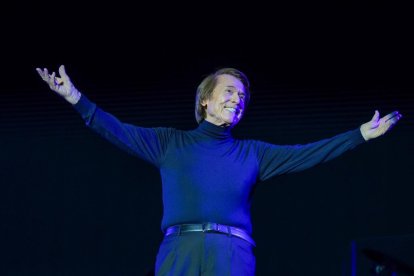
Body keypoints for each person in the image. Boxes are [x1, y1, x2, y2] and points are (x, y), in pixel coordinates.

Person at [36, 65, 402, 275]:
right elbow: (117, 130)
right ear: (205, 100)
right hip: (180, 249)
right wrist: (76, 99)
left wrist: (360, 135)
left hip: (232, 252)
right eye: (229, 91)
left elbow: (308, 154)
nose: (237, 99)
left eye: (242, 96)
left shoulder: (252, 153)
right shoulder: (170, 143)